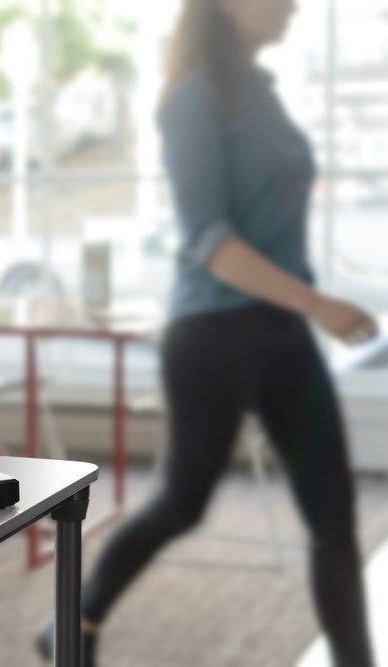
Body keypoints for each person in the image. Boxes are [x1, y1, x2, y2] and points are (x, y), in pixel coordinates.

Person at [36, 0, 379, 665]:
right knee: (183, 502)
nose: (291, 5)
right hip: (212, 336)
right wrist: (318, 303)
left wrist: (303, 308)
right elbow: (211, 241)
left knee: (333, 518)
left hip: (283, 336)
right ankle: (74, 615)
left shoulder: (263, 95)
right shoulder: (191, 102)